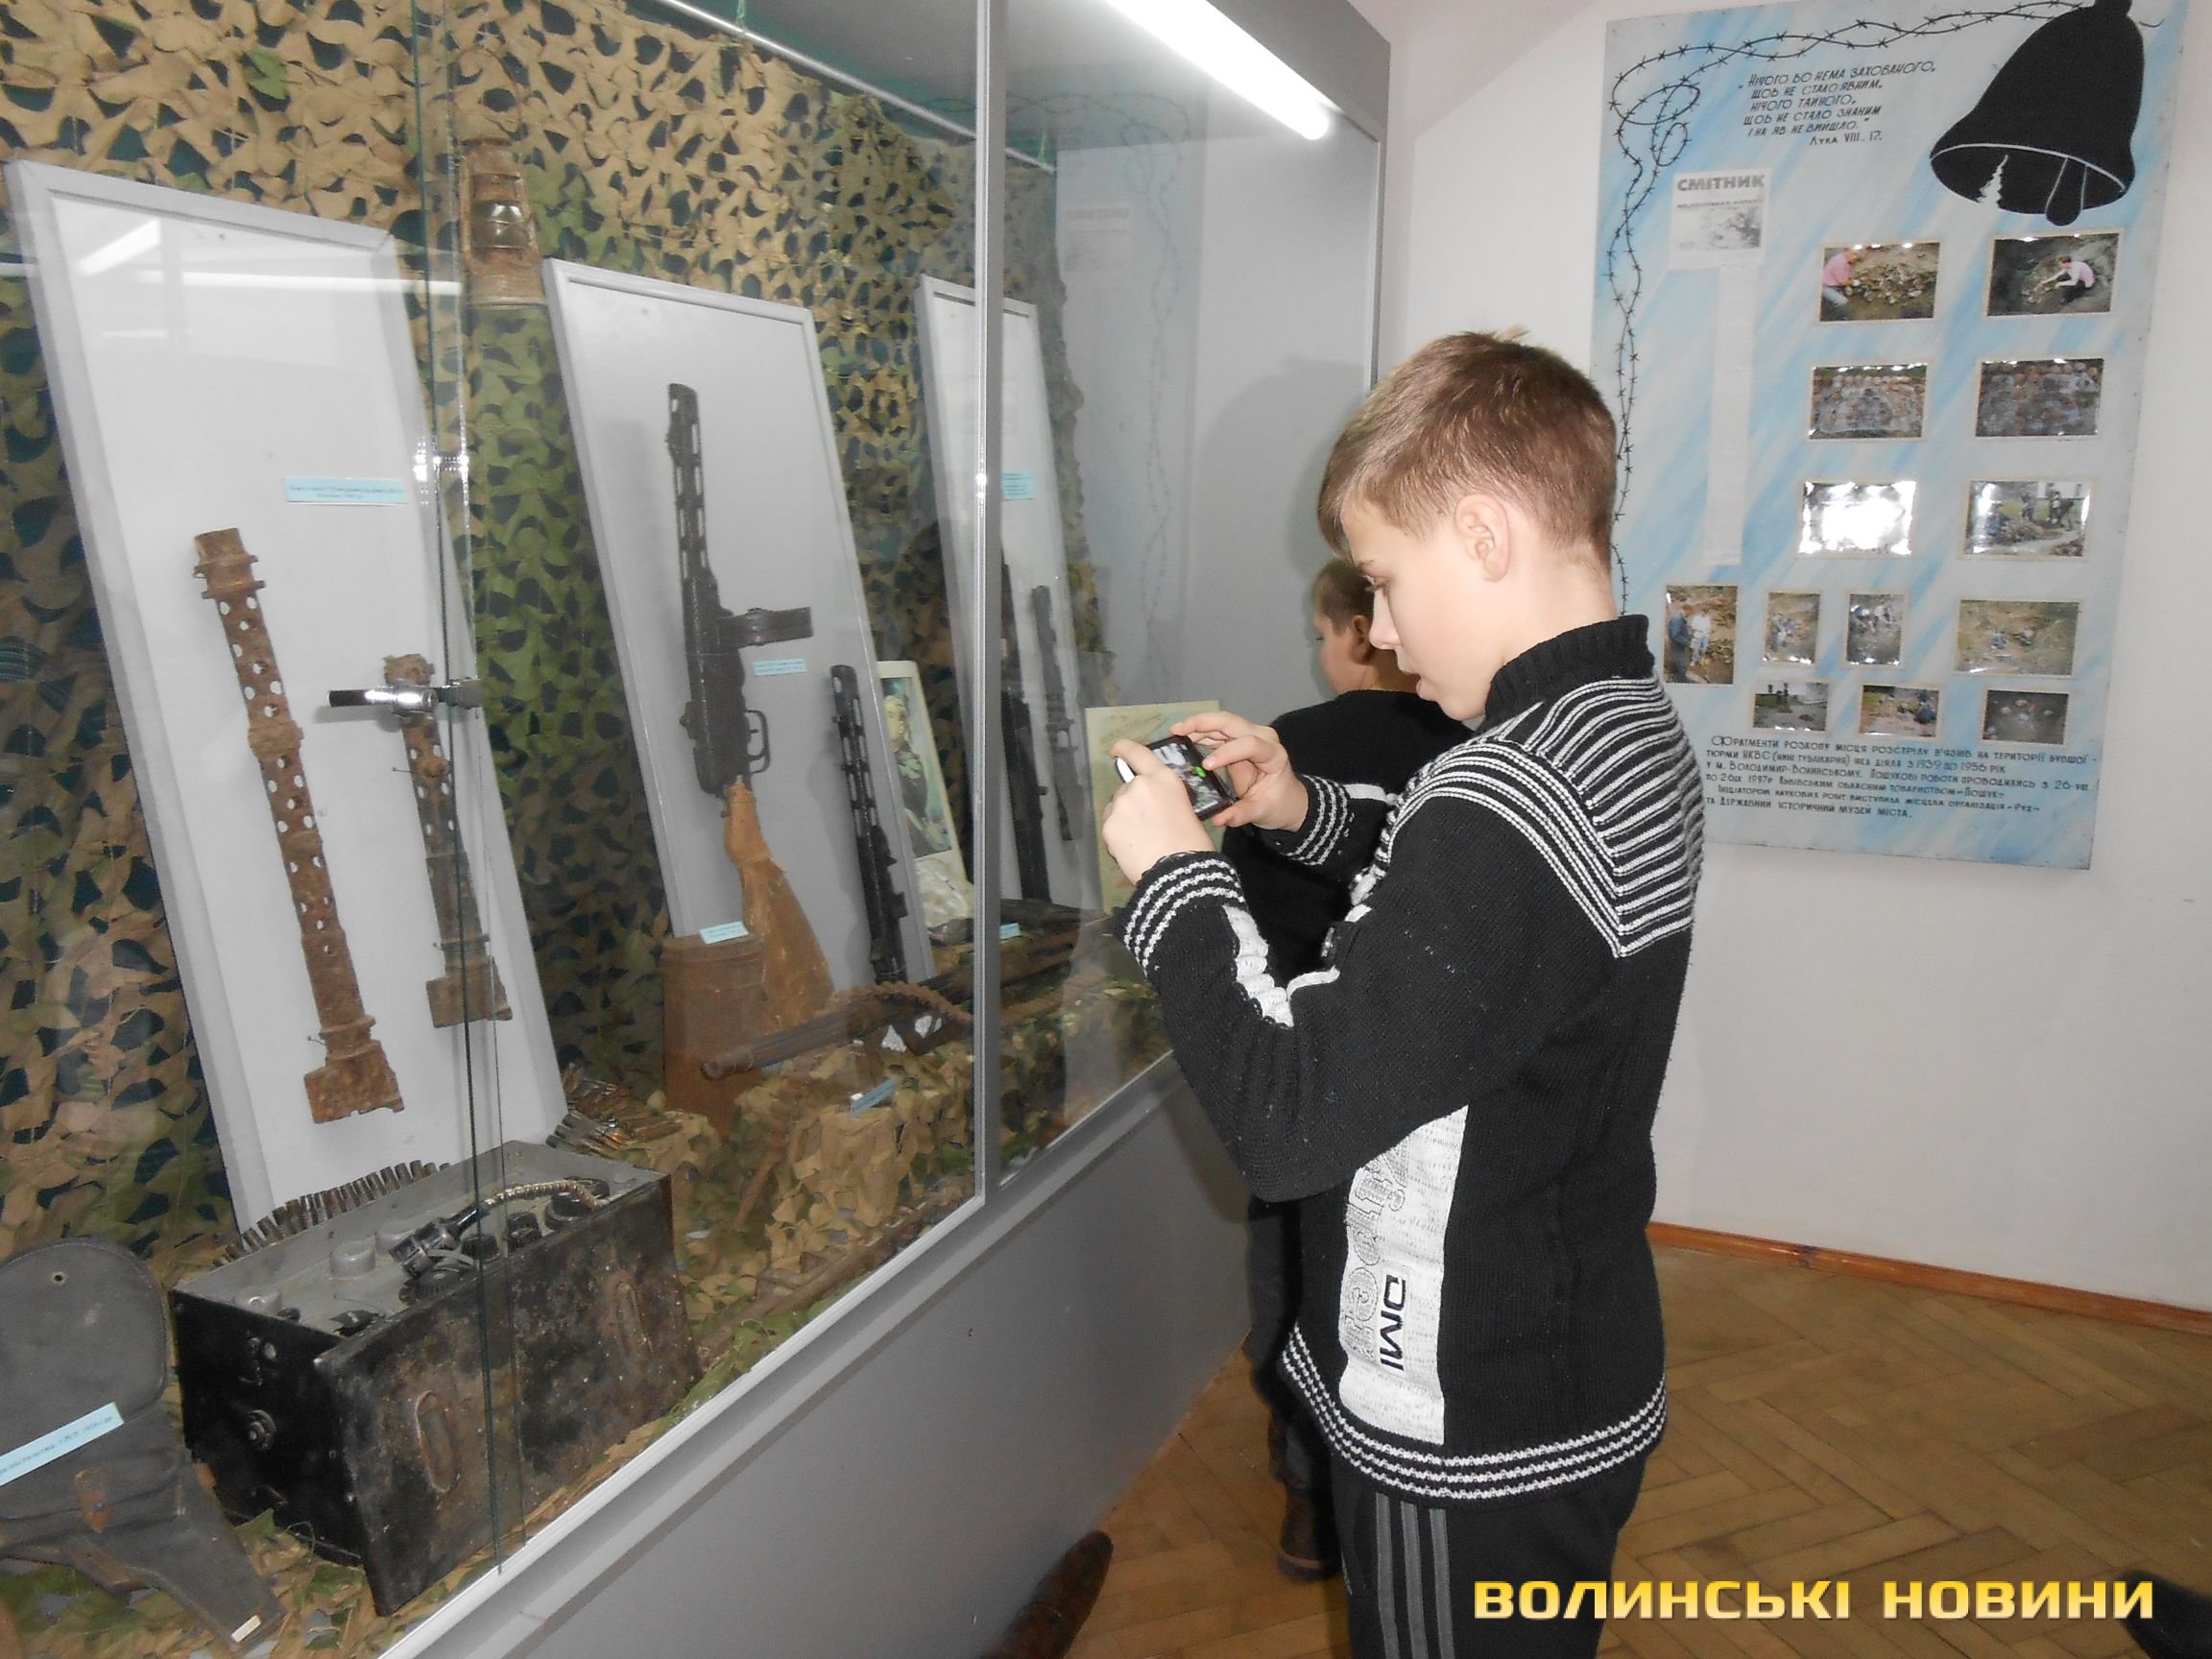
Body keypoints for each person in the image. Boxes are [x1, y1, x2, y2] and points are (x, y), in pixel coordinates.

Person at [1103, 331, 1703, 1659]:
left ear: (1482, 535)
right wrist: (1297, 809)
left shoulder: (1504, 796)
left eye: (1383, 580)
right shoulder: (1613, 723)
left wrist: (1177, 884)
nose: (1377, 630)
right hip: (1557, 1349)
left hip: (1465, 1411)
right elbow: (1478, 929)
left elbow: (1289, 1124)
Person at [1220, 561, 1468, 1581]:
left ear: (1353, 633)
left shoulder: (1298, 738)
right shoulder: (1469, 746)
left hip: (1303, 1059)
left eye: (1324, 632)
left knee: (1291, 1271)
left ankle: (1309, 1495)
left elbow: (1243, 896)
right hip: (1421, 1081)